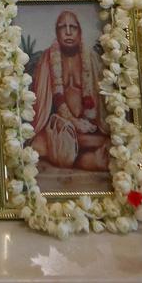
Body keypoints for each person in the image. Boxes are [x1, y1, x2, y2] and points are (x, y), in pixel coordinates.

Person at [30, 10, 110, 174]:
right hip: (61, 128)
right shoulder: (47, 59)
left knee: (107, 142)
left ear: (79, 32)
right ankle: (82, 156)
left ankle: (74, 152)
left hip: (89, 126)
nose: (68, 32)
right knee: (38, 145)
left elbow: (101, 105)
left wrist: (85, 124)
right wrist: (71, 123)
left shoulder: (91, 59)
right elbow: (41, 106)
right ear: (56, 32)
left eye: (72, 27)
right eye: (62, 27)